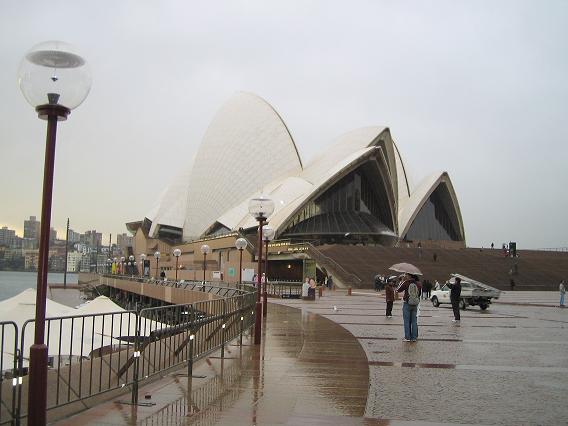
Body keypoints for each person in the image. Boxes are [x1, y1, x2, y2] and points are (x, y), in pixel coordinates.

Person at [396, 274, 422, 342]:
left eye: (407, 275)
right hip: (415, 304)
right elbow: (419, 294)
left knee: (406, 321)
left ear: (410, 276)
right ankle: (414, 338)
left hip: (407, 303)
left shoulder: (406, 282)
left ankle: (407, 337)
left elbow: (398, 290)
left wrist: (402, 281)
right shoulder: (418, 284)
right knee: (414, 321)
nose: (406, 276)